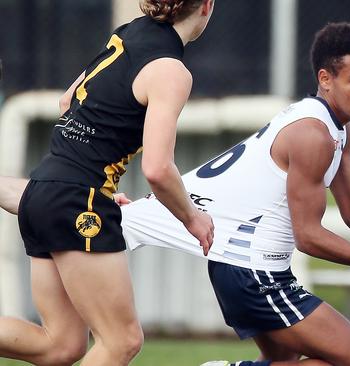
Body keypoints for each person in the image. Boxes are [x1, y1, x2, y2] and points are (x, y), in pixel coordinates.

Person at [0, 22, 350, 365]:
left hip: (246, 268)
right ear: (325, 78)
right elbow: (309, 237)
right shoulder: (312, 136)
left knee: (63, 345)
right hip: (255, 274)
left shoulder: (336, 130)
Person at [0, 1, 215, 365]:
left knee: (62, 346)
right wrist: (193, 219)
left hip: (47, 189)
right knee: (122, 341)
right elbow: (159, 169)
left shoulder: (129, 32)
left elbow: (68, 101)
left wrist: (94, 186)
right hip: (76, 199)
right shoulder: (171, 71)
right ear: (207, 6)